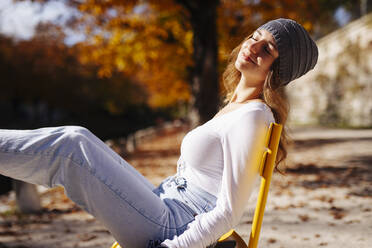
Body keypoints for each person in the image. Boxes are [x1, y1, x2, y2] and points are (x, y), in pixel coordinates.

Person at [0, 18, 318, 248]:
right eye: (254, 35)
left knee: (73, 143)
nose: (253, 46)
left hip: (171, 224)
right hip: (163, 201)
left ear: (277, 71)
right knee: (77, 142)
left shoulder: (253, 116)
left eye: (269, 48)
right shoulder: (234, 107)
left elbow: (228, 212)